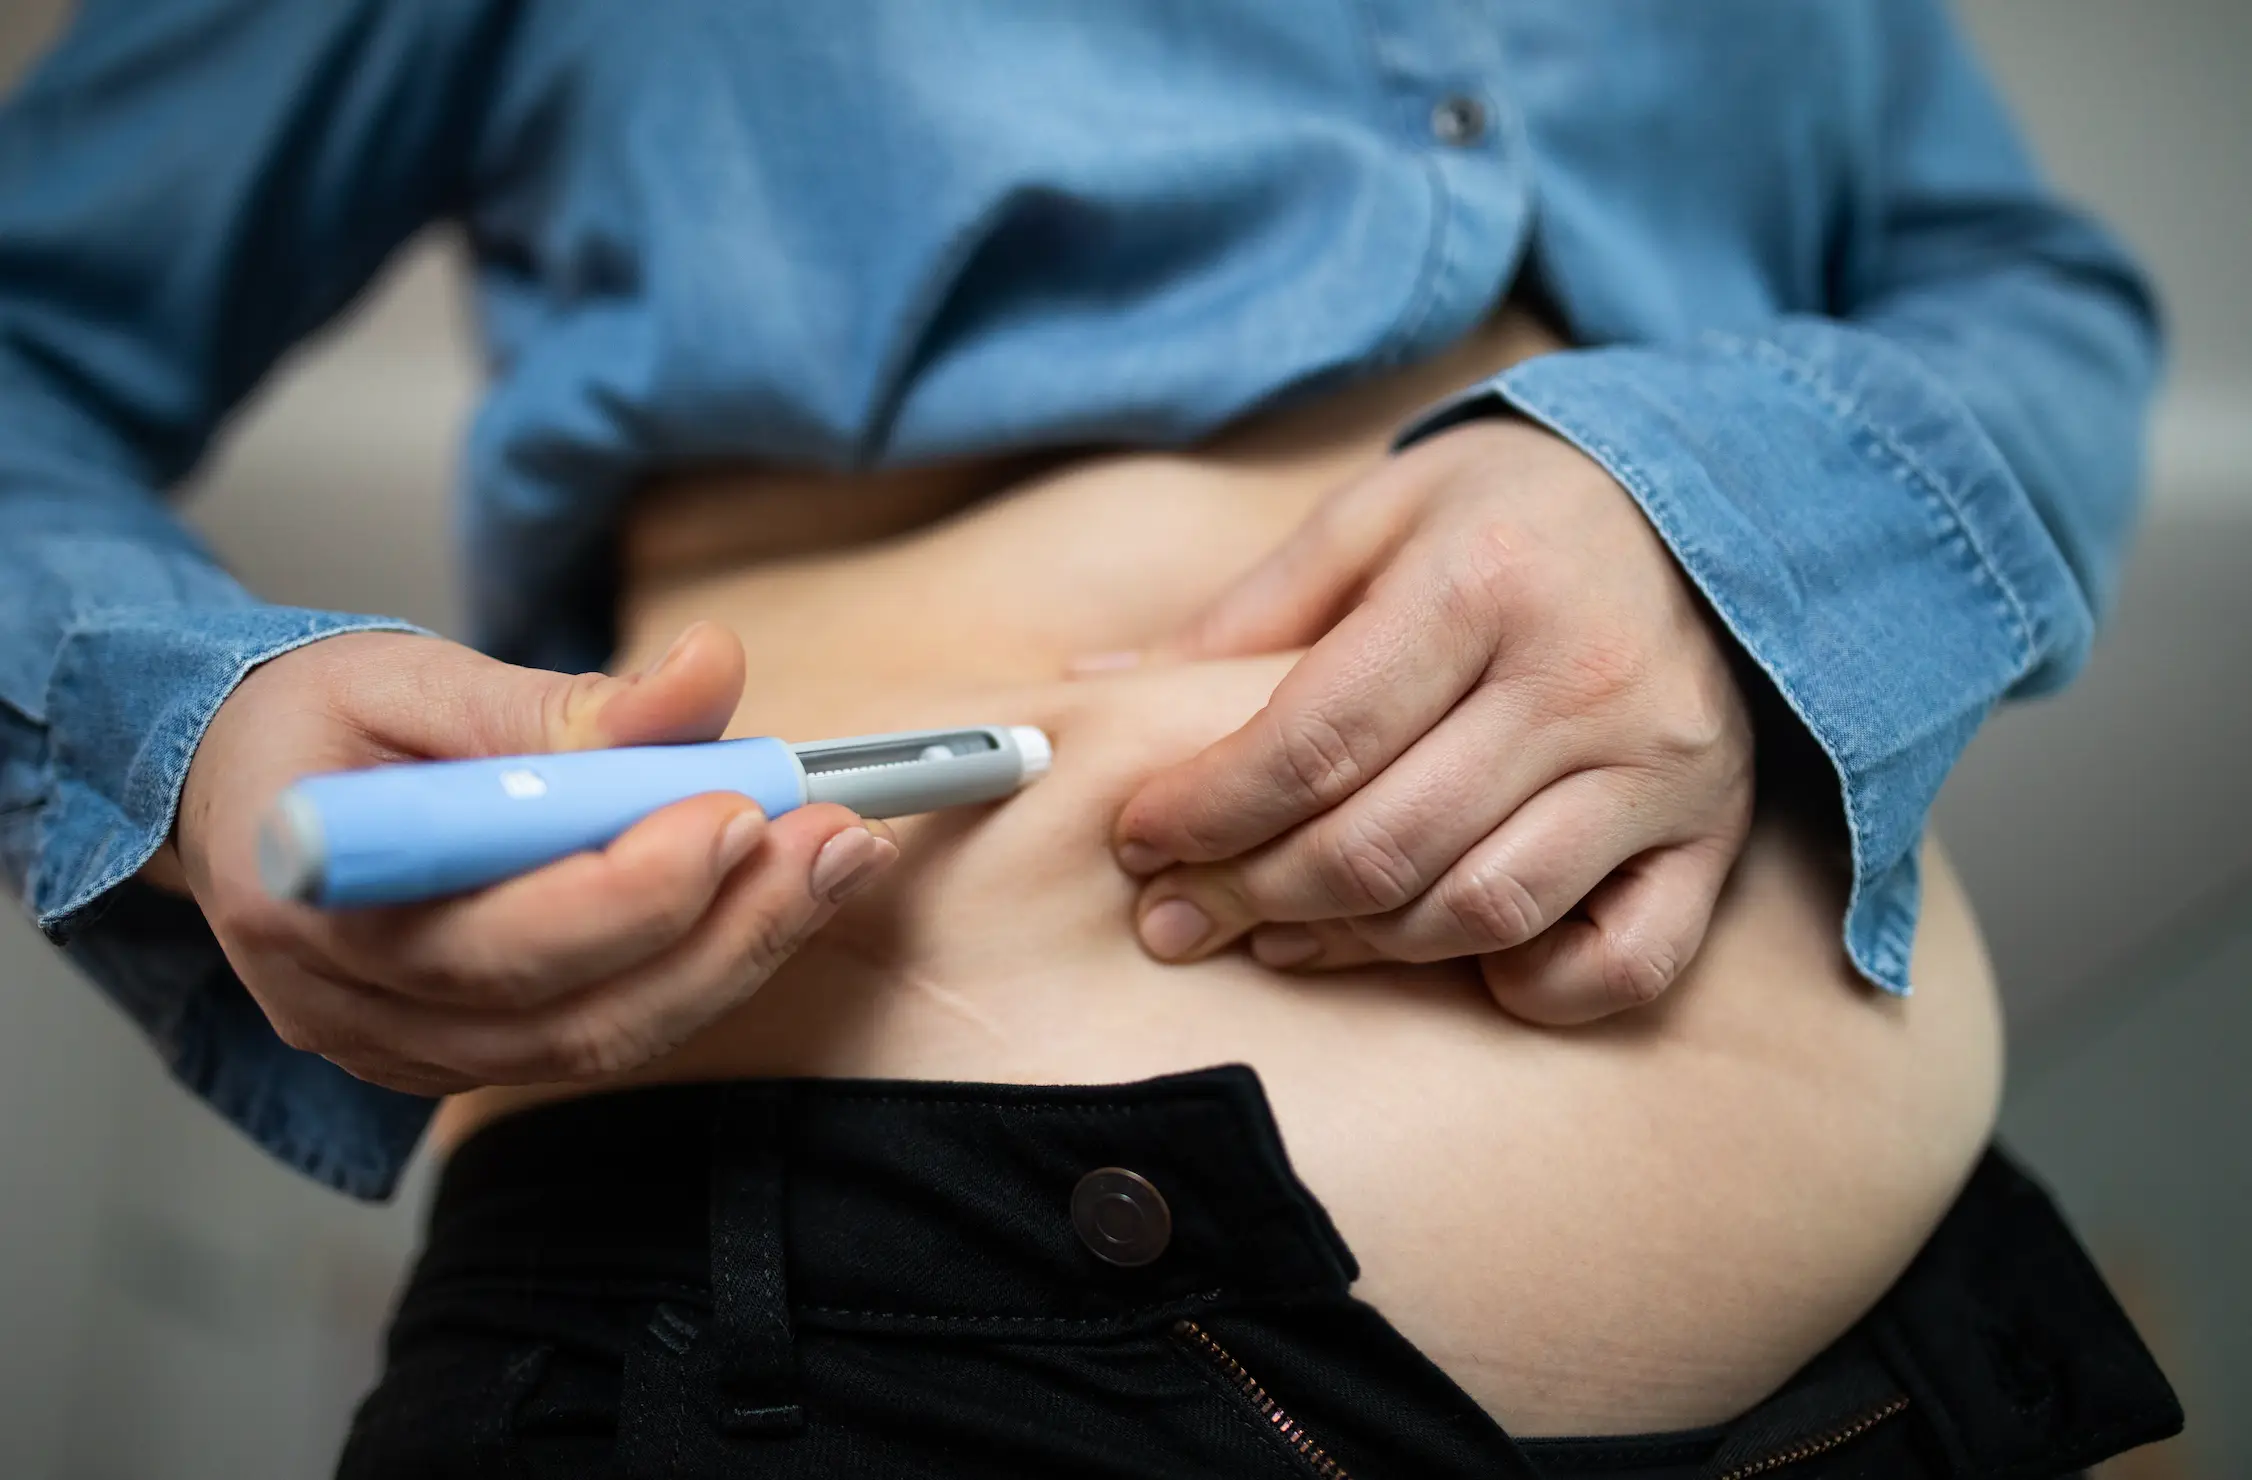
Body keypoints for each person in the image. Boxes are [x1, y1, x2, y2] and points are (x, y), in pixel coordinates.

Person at [0, 2, 2182, 1475]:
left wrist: (1730, 512)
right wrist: (188, 734)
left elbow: (2034, 294)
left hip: (1909, 1345)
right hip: (867, 1331)